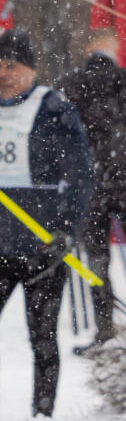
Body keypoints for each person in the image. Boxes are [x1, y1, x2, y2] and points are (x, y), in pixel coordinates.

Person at [0, 26, 94, 421]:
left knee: (43, 337)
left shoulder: (53, 108)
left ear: (31, 70)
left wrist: (67, 230)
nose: (2, 74)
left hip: (42, 249)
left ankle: (42, 417)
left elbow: (81, 173)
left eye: (11, 66)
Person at [59, 26, 126, 350]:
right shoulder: (121, 81)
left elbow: (60, 137)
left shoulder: (72, 83)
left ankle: (104, 327)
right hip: (122, 178)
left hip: (90, 185)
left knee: (97, 260)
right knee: (98, 258)